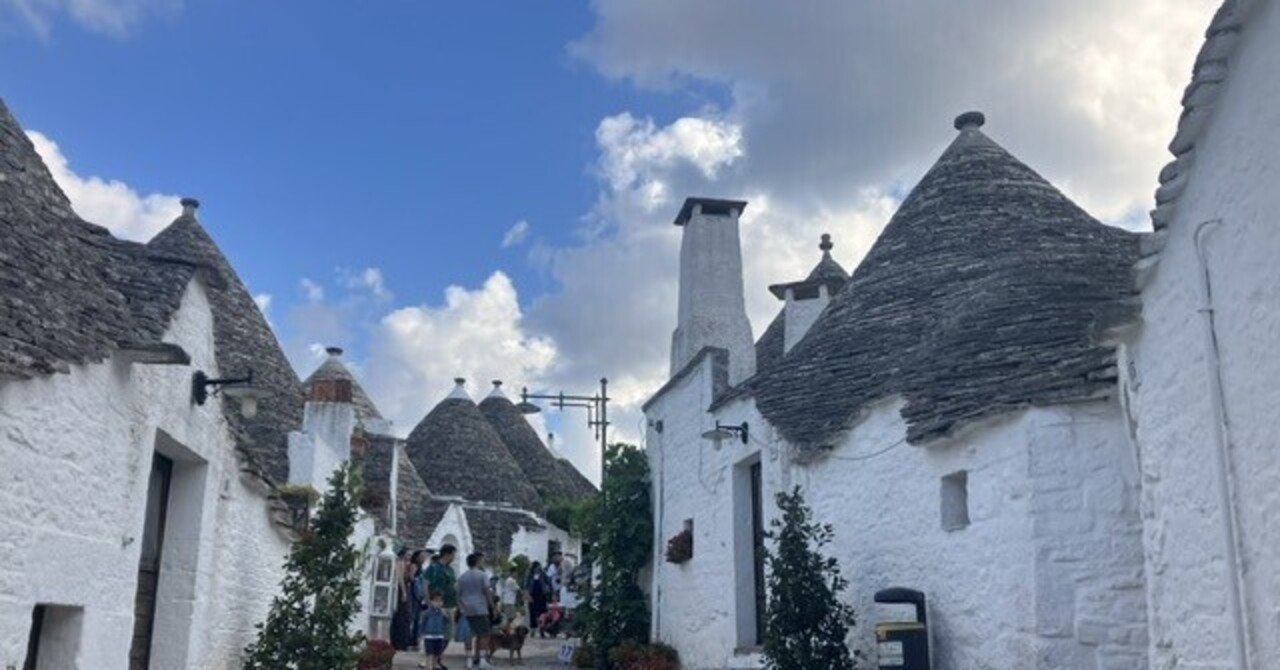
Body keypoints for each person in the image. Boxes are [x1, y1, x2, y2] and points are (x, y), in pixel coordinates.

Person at [457, 552, 496, 669]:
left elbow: (458, 595)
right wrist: (493, 606)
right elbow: (487, 592)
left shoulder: (462, 577)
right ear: (478, 562)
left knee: (468, 634)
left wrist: (461, 607)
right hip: (480, 607)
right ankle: (482, 660)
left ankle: (468, 658)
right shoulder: (482, 575)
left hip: (466, 608)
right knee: (484, 633)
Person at [421, 545, 458, 663]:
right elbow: (425, 584)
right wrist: (429, 602)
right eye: (453, 554)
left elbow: (453, 585)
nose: (454, 557)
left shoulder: (450, 570)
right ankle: (431, 659)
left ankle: (437, 658)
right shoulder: (434, 568)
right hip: (437, 605)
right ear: (447, 554)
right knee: (435, 634)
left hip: (449, 604)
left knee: (447, 634)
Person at [417, 590, 449, 670]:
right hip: (429, 636)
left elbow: (446, 622)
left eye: (440, 601)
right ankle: (429, 667)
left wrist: (445, 614)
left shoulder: (442, 612)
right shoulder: (427, 613)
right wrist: (420, 634)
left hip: (439, 635)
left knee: (436, 654)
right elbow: (422, 623)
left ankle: (434, 666)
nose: (438, 603)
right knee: (429, 654)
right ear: (431, 602)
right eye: (436, 601)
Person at [391, 549, 416, 650]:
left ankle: (403, 641)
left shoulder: (408, 565)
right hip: (402, 590)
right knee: (402, 615)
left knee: (405, 616)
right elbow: (400, 578)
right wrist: (404, 591)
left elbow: (411, 578)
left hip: (406, 589)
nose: (410, 556)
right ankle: (400, 642)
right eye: (408, 554)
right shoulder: (400, 563)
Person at [524, 562, 551, 636]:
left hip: (542, 595)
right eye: (536, 568)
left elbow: (548, 581)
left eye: (539, 568)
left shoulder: (542, 574)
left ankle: (541, 629)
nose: (537, 569)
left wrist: (548, 589)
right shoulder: (529, 575)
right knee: (532, 613)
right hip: (532, 595)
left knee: (542, 613)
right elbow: (525, 585)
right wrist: (528, 595)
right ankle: (533, 629)